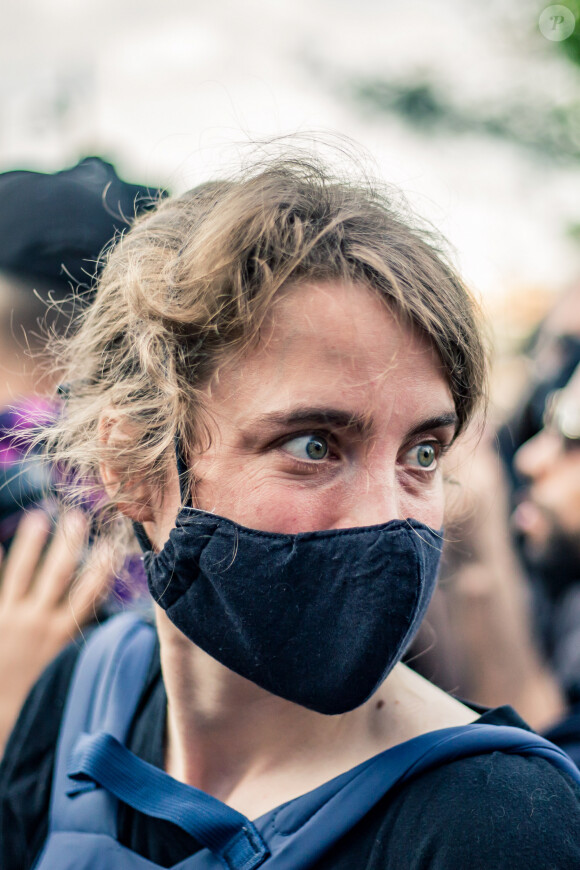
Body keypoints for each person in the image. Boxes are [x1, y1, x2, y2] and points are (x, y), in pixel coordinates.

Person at [1, 155, 579, 869]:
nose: (387, 516)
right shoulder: (85, 692)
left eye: (423, 453)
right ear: (132, 466)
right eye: (315, 445)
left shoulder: (500, 825)